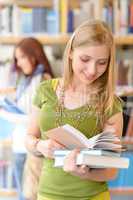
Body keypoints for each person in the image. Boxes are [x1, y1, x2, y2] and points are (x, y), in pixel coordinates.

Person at [25, 20, 123, 200]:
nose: (92, 70)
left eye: (102, 62)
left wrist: (83, 173)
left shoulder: (110, 103)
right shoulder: (45, 90)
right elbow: (29, 137)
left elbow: (111, 170)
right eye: (85, 59)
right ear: (70, 53)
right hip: (48, 194)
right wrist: (39, 145)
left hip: (91, 196)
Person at [1, 37, 53, 200]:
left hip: (33, 147)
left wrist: (14, 116)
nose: (19, 62)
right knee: (21, 195)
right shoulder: (23, 80)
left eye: (22, 57)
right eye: (17, 59)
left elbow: (43, 118)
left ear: (34, 55)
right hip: (18, 143)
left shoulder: (45, 79)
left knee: (31, 195)